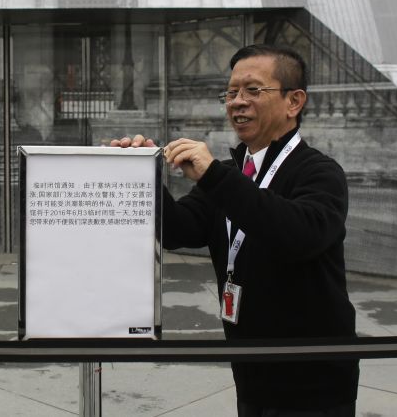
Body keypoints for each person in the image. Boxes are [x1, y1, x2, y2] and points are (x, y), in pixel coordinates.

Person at [113, 44, 358, 417]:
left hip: (313, 379)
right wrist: (142, 178)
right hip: (251, 371)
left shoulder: (319, 172)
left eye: (253, 90)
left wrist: (214, 176)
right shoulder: (234, 173)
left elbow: (297, 234)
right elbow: (181, 228)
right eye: (230, 93)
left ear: (294, 102)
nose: (237, 102)